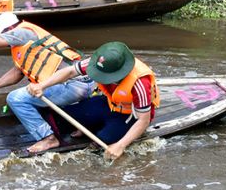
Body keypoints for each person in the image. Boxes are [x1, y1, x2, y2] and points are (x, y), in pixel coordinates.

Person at [0, 13, 89, 153]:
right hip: (85, 83)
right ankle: (82, 124)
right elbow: (17, 73)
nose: (4, 40)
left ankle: (48, 138)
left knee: (15, 98)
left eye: (3, 35)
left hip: (73, 85)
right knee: (36, 91)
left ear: (10, 29)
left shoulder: (21, 33)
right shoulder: (28, 40)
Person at [27, 41, 159, 160]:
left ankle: (95, 127)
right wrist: (41, 86)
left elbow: (144, 119)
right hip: (109, 103)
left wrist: (120, 145)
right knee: (66, 115)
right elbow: (70, 72)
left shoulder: (140, 82)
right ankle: (89, 125)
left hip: (131, 114)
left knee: (104, 140)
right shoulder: (100, 63)